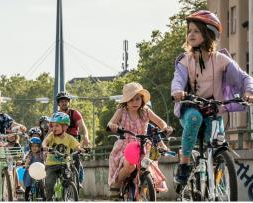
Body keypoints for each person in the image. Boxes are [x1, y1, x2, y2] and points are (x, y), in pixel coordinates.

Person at [171, 10, 253, 187]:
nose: (190, 34)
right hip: (190, 108)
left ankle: (219, 185)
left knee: (217, 143)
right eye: (189, 31)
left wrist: (249, 91)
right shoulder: (186, 60)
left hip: (212, 109)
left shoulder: (221, 59)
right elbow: (178, 79)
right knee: (194, 118)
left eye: (196, 31)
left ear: (208, 34)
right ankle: (184, 164)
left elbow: (244, 77)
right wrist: (177, 91)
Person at [107, 82, 172, 198]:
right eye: (131, 100)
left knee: (147, 165)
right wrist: (113, 126)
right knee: (130, 165)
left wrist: (165, 127)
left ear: (142, 100)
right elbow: (111, 122)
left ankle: (143, 188)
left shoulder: (146, 111)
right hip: (126, 146)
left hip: (143, 145)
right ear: (126, 102)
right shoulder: (122, 111)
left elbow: (160, 122)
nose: (134, 102)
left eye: (137, 99)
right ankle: (116, 184)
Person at [42, 112, 84, 201]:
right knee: (49, 184)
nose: (53, 128)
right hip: (51, 165)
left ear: (65, 127)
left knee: (68, 178)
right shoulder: (52, 136)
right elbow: (45, 142)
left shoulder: (69, 138)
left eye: (56, 126)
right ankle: (49, 200)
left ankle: (68, 191)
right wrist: (45, 147)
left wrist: (80, 149)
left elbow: (77, 146)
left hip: (64, 164)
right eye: (52, 126)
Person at [56, 91, 90, 187]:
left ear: (68, 102)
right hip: (60, 141)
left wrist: (86, 136)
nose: (64, 103)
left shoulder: (74, 113)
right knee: (57, 160)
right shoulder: (56, 115)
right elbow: (51, 130)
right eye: (62, 101)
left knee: (75, 157)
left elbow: (83, 127)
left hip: (73, 139)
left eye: (66, 101)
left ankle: (77, 180)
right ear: (58, 103)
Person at [23, 137, 45, 201]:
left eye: (36, 146)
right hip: (31, 170)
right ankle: (26, 197)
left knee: (41, 184)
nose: (34, 148)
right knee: (28, 184)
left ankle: (44, 197)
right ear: (30, 147)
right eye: (32, 146)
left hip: (40, 171)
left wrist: (46, 165)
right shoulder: (30, 154)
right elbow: (28, 160)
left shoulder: (41, 154)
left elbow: (44, 160)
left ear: (39, 147)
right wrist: (26, 165)